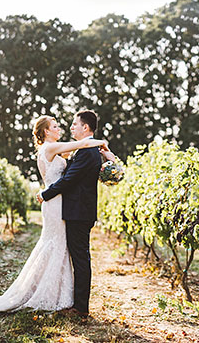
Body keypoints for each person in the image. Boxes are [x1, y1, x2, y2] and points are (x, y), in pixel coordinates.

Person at [0, 114, 107, 315]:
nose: (62, 128)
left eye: (70, 124)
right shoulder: (52, 148)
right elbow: (72, 165)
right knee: (57, 247)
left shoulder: (62, 150)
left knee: (61, 249)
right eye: (55, 126)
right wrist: (101, 144)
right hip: (55, 204)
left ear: (86, 127)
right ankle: (58, 296)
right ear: (46, 131)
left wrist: (101, 152)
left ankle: (68, 299)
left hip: (63, 204)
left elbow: (72, 172)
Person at [37, 109, 118, 320]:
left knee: (80, 258)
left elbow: (69, 179)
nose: (71, 127)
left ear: (85, 127)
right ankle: (75, 302)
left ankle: (81, 307)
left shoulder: (87, 151)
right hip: (77, 210)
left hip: (79, 212)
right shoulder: (88, 149)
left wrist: (46, 194)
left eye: (75, 124)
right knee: (78, 256)